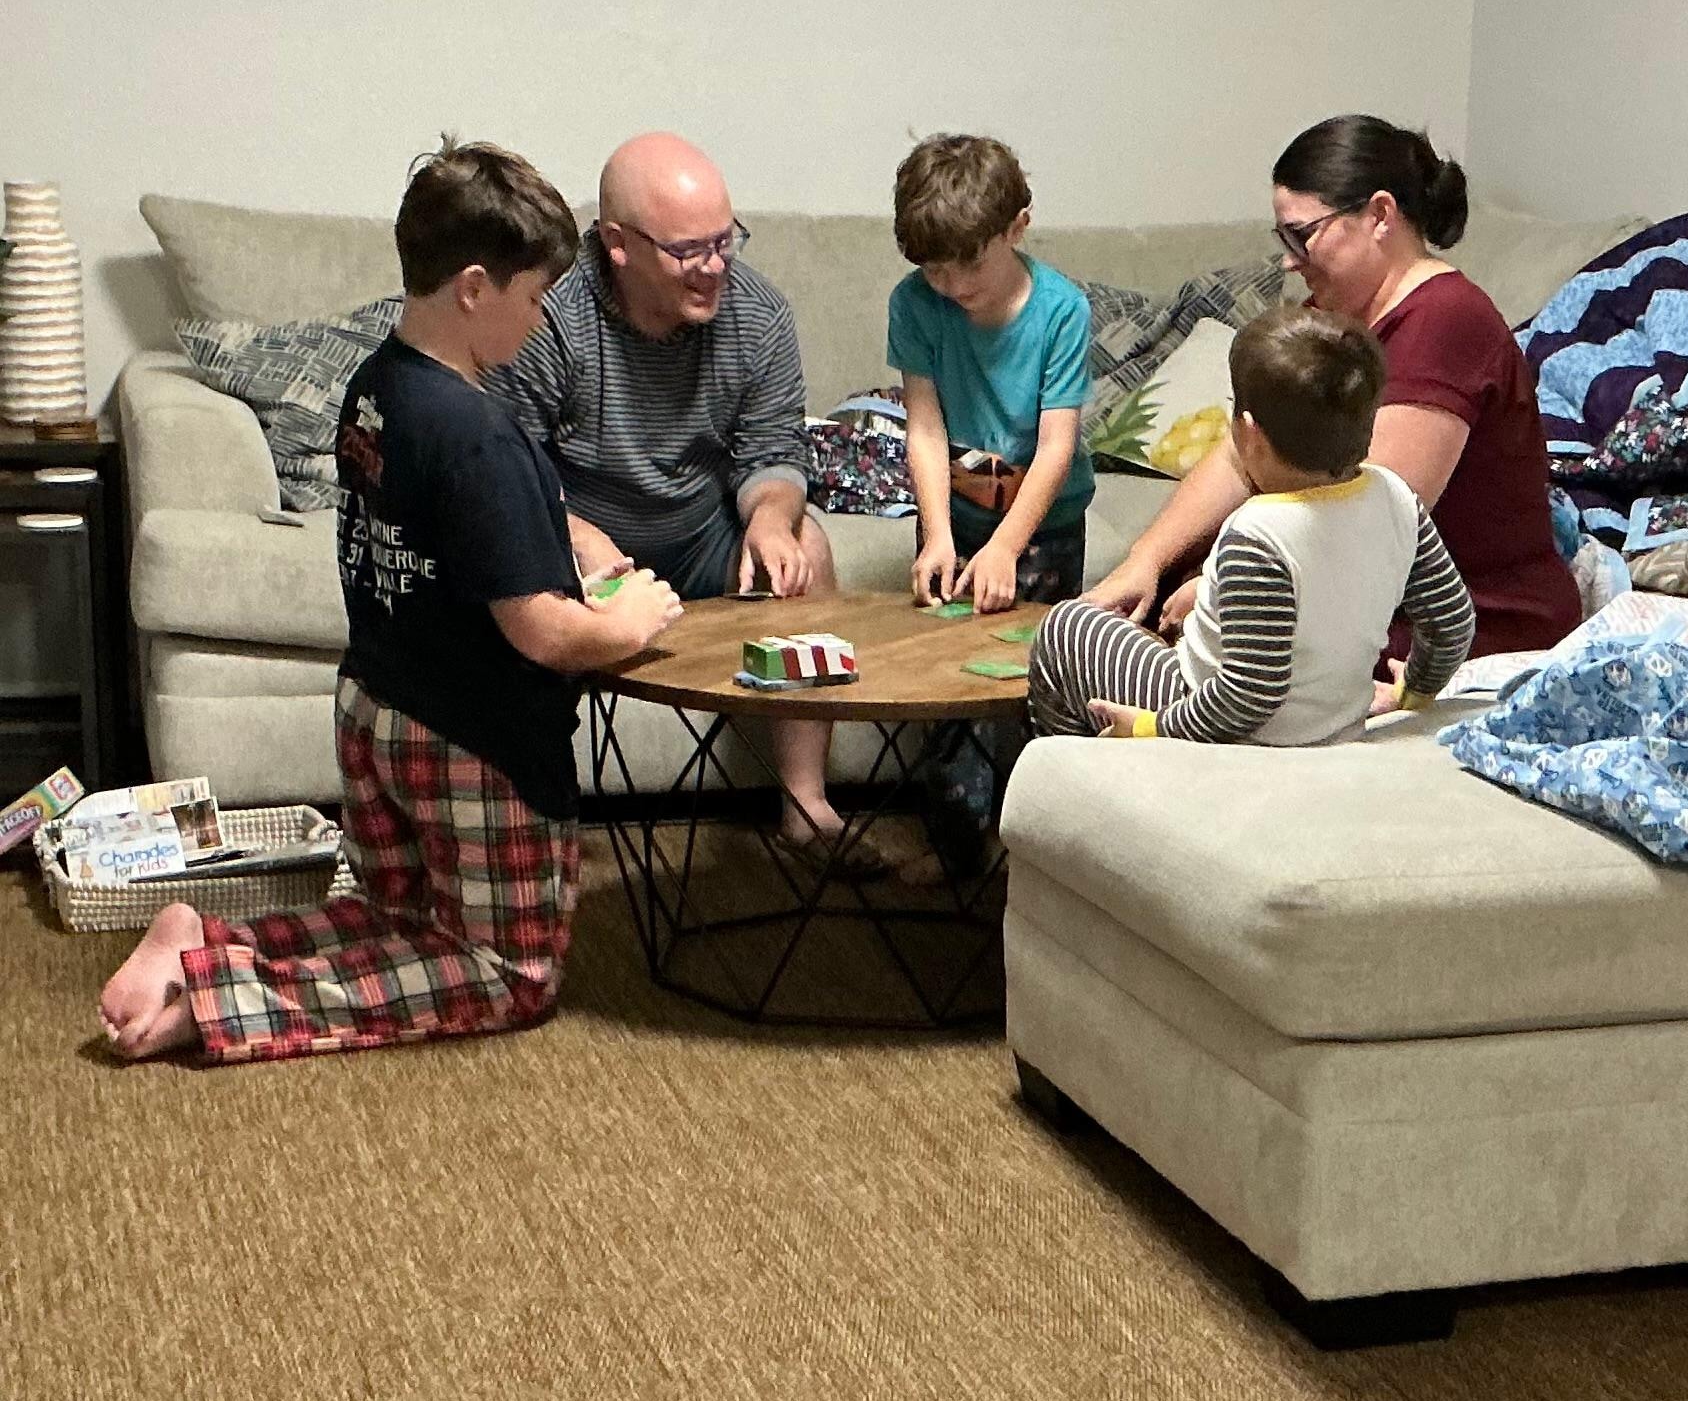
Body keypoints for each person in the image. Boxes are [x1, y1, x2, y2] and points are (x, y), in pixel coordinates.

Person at [98, 140, 681, 1064]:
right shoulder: (479, 432)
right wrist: (625, 621)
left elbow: (439, 521)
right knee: (504, 972)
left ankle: (210, 948)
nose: (541, 323)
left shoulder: (377, 385)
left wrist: (567, 534)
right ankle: (217, 994)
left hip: (377, 708)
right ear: (476, 287)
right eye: (535, 297)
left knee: (398, 920)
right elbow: (540, 629)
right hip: (472, 741)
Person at [487, 132, 865, 869]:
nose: (717, 265)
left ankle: (806, 807)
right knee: (516, 583)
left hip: (700, 539)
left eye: (726, 240)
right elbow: (507, 473)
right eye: (690, 250)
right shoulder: (550, 317)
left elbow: (775, 450)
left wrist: (770, 520)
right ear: (617, 244)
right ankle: (534, 827)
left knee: (809, 550)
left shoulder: (757, 313)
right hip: (582, 547)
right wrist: (579, 537)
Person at [1088, 113, 1580, 670]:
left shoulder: (1448, 321)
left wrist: (1226, 590)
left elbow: (1370, 524)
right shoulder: (1329, 316)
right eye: (1283, 238)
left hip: (1460, 629)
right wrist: (1145, 561)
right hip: (1347, 605)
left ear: (1379, 215)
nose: (1287, 260)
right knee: (1101, 631)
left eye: (1302, 235)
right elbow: (1242, 450)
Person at [1029, 306, 1474, 742]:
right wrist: (1414, 692)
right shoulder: (1398, 498)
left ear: (1247, 432)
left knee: (1068, 625)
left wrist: (1153, 725)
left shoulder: (1258, 533)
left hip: (1238, 734)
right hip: (1337, 723)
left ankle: (1078, 760)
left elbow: (1249, 696)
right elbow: (1452, 622)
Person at [886, 133, 1093, 878]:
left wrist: (1007, 546)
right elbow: (925, 425)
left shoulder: (1062, 310)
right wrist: (939, 536)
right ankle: (954, 849)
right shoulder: (916, 304)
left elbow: (1057, 446)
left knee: (1029, 691)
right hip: (956, 518)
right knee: (946, 692)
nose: (950, 283)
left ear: (1017, 227)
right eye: (933, 267)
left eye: (968, 262)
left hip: (1043, 526)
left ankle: (1030, 853)